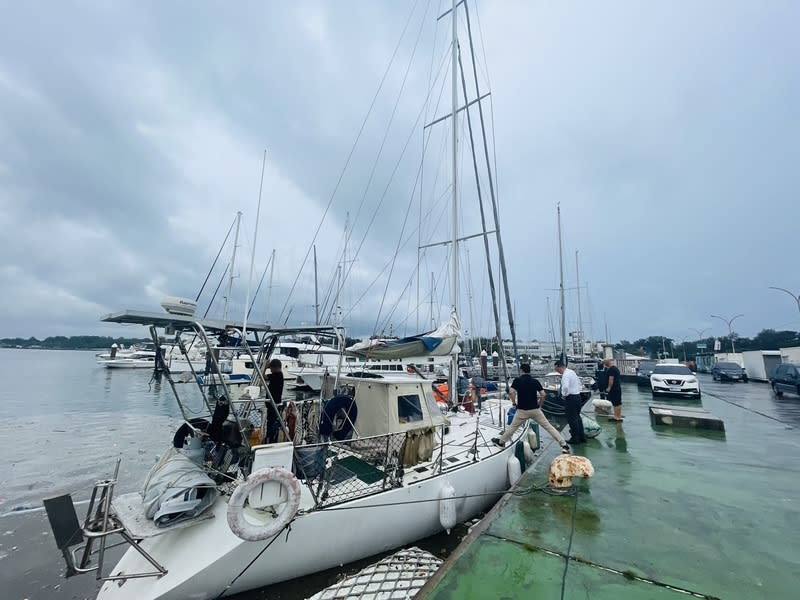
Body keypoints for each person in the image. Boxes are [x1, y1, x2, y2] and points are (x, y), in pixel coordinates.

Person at [492, 363, 570, 453]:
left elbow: (511, 392)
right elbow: (543, 395)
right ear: (529, 371)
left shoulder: (517, 380)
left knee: (512, 427)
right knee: (549, 427)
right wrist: (539, 405)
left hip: (522, 410)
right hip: (535, 410)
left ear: (521, 371)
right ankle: (564, 445)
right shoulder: (535, 381)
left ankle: (501, 442)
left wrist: (514, 403)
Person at [554, 359, 586, 445]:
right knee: (577, 417)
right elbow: (578, 383)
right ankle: (581, 436)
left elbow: (565, 387)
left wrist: (564, 395)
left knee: (572, 419)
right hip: (577, 396)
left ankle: (575, 438)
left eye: (556, 369)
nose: (557, 372)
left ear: (559, 367)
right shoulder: (572, 372)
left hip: (570, 398)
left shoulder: (565, 375)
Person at [265, 358, 284, 443]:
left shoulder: (277, 375)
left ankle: (271, 439)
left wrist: (265, 367)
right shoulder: (277, 375)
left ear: (274, 367)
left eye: (271, 368)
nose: (271, 370)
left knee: (271, 423)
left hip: (274, 404)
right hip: (273, 403)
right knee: (271, 422)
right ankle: (271, 437)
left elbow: (263, 376)